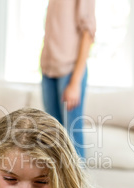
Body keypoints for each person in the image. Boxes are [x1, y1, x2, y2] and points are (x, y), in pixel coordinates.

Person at [40, 0, 96, 159]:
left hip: (70, 72)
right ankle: (56, 184)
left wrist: (75, 82)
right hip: (48, 70)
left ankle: (79, 185)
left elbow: (88, 33)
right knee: (53, 141)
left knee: (73, 142)